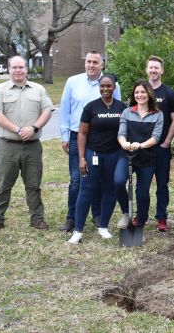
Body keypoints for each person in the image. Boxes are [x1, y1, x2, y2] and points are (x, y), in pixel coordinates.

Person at [0, 56, 54, 232]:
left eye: (21, 67)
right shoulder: (0, 90)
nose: (18, 70)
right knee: (3, 184)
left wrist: (34, 128)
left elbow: (47, 111)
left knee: (33, 184)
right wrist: (17, 130)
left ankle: (37, 218)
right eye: (14, 67)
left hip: (32, 146)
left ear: (26, 69)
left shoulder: (38, 89)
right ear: (9, 69)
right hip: (8, 146)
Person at [59, 50, 121, 232]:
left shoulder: (111, 83)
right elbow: (64, 109)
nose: (91, 65)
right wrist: (64, 136)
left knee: (100, 179)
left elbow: (117, 111)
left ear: (102, 65)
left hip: (103, 139)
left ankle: (98, 214)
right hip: (77, 136)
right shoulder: (73, 82)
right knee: (77, 179)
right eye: (88, 62)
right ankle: (72, 218)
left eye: (95, 62)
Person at [67, 75, 127, 244]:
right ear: (99, 87)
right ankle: (78, 231)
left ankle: (103, 226)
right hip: (93, 153)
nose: (105, 89)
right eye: (102, 86)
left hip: (114, 154)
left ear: (114, 87)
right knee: (86, 190)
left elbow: (126, 130)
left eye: (109, 86)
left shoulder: (122, 107)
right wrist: (81, 158)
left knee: (109, 189)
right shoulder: (91, 107)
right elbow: (82, 133)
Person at [113, 80, 163, 229]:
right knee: (118, 181)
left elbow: (156, 137)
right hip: (127, 155)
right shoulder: (127, 112)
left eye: (143, 92)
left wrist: (140, 145)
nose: (140, 95)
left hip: (147, 157)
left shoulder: (158, 114)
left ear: (149, 94)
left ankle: (140, 221)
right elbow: (121, 133)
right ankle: (126, 212)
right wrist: (124, 143)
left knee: (142, 192)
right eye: (137, 92)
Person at [147, 56, 174, 232]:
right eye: (151, 67)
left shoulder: (170, 94)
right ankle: (141, 215)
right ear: (147, 70)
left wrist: (167, 142)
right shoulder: (141, 91)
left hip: (161, 148)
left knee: (162, 184)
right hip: (144, 148)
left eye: (156, 68)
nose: (153, 70)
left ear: (162, 70)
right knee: (143, 184)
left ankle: (161, 217)